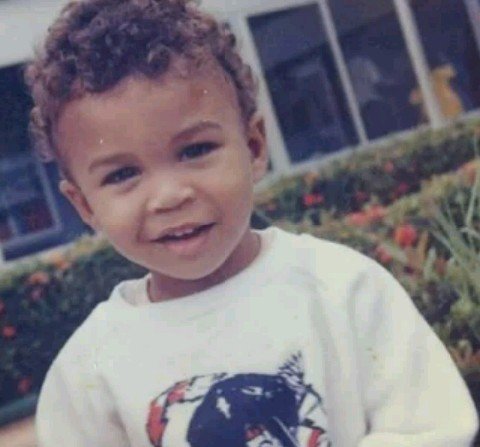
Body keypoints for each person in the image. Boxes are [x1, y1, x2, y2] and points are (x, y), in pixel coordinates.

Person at [25, 0, 477, 445]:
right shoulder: (88, 374)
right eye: (123, 174)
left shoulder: (342, 288)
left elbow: (433, 425)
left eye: (195, 150)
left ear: (255, 146)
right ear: (84, 206)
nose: (169, 196)